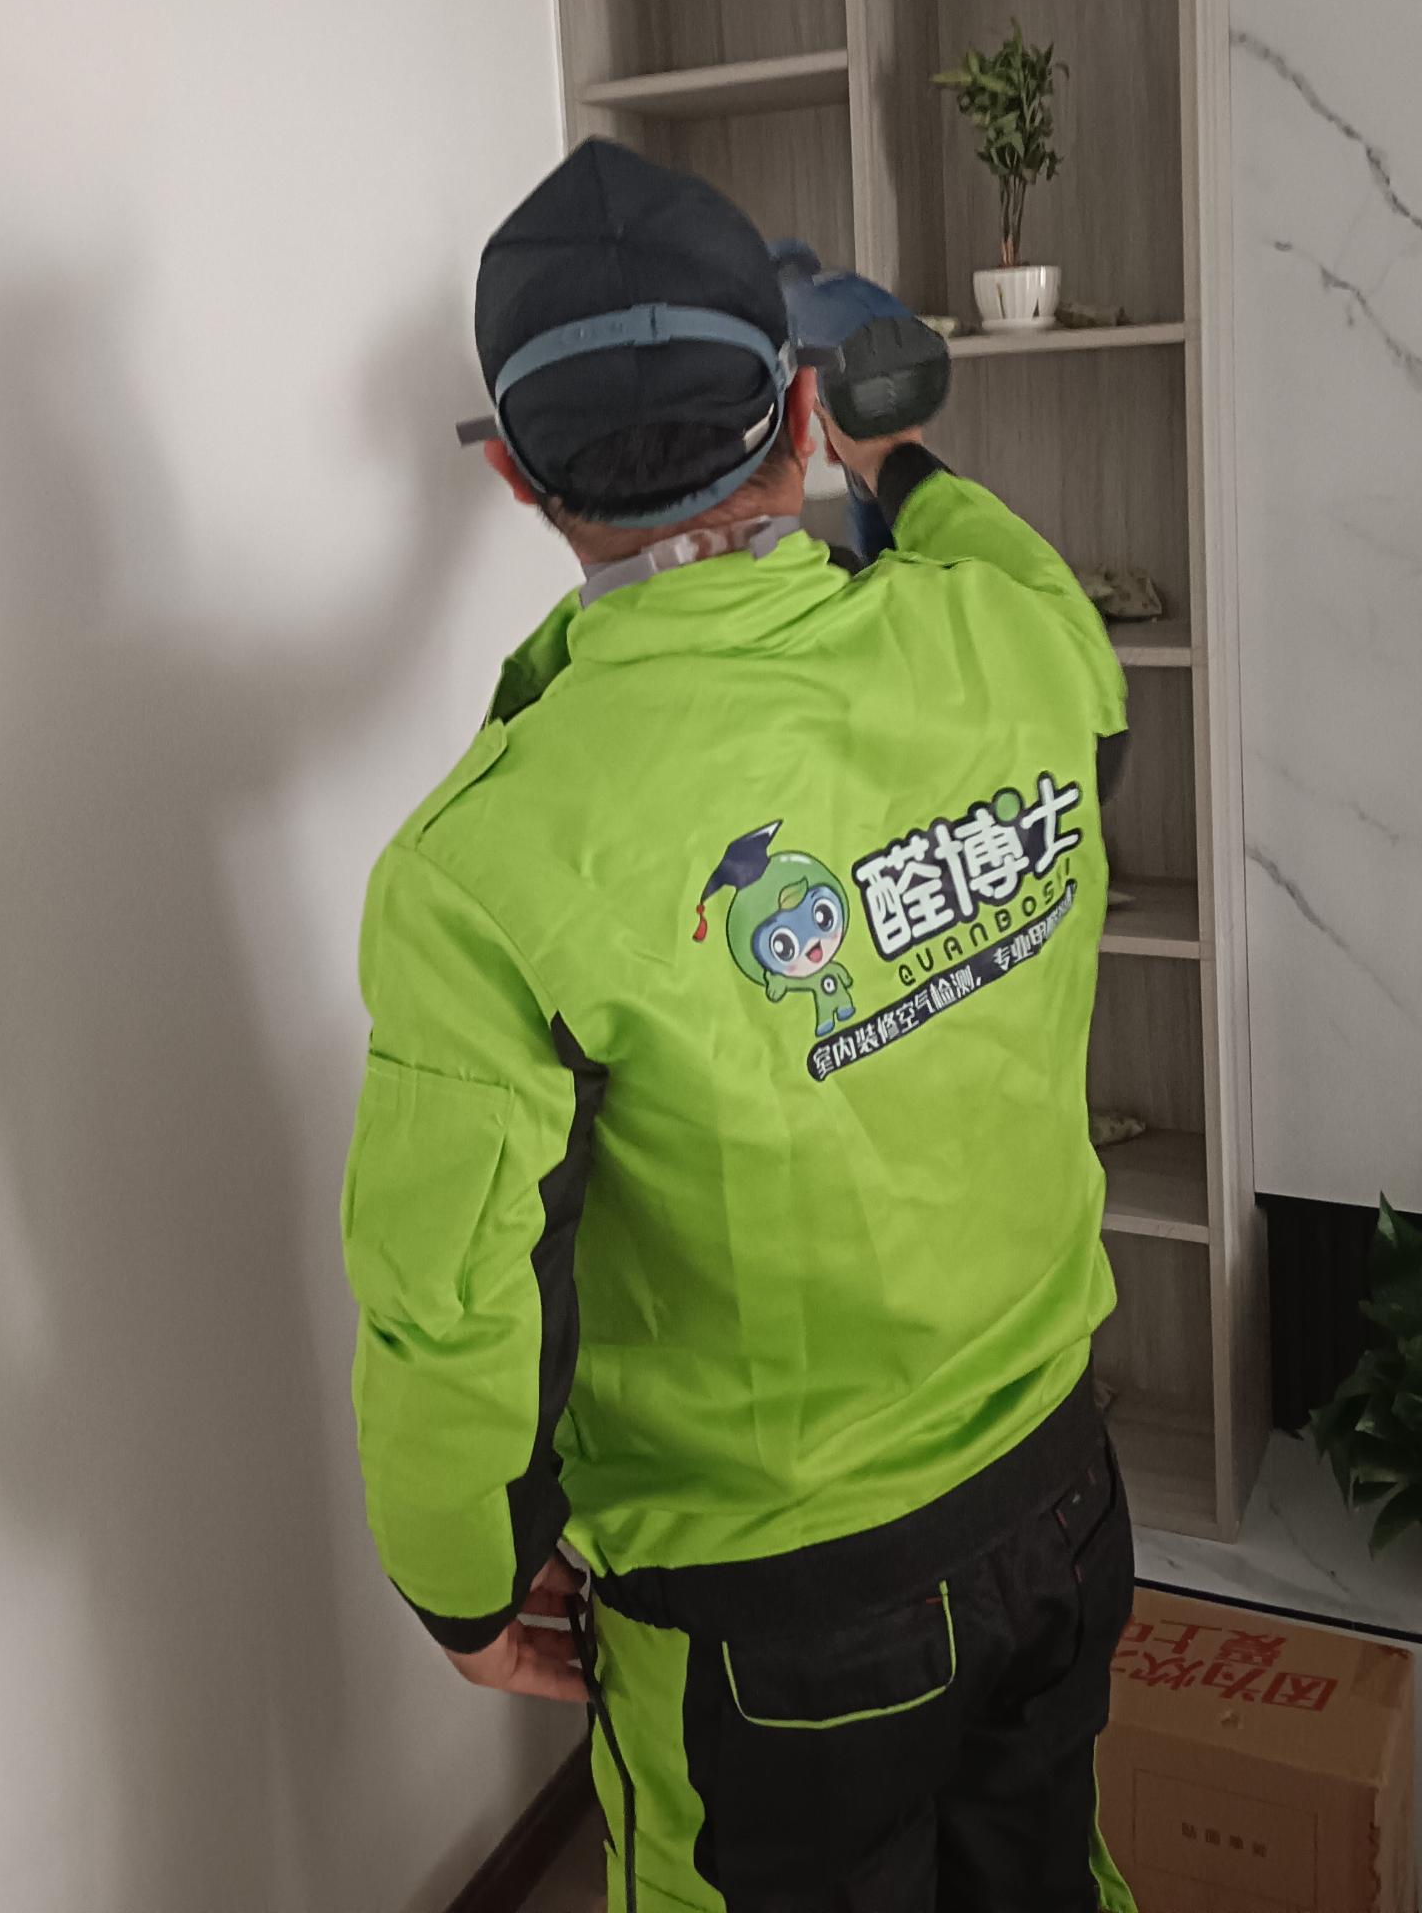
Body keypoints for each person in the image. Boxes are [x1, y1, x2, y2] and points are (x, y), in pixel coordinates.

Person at [343, 139, 1139, 1913]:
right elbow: (997, 563)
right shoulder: (1018, 648)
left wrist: (463, 1580)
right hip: (1058, 1502)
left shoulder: (484, 867)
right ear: (796, 411)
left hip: (778, 1628)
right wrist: (890, 452)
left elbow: (454, 1295)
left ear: (519, 477)